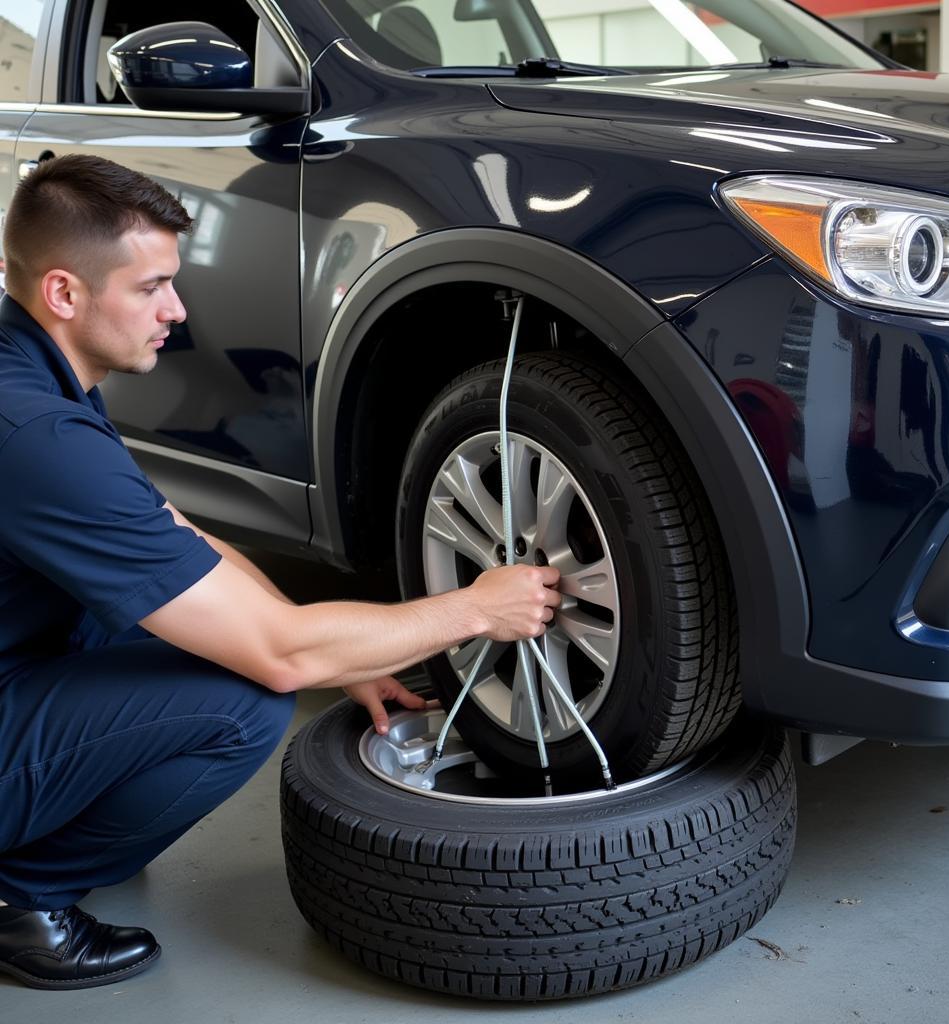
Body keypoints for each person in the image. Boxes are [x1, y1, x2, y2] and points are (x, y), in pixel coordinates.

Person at [0, 154, 561, 991]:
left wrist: (355, 652)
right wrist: (475, 608)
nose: (177, 310)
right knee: (246, 701)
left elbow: (173, 537)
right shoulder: (36, 435)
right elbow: (282, 658)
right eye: (151, 287)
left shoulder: (33, 370)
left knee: (164, 612)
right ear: (64, 294)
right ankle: (22, 899)